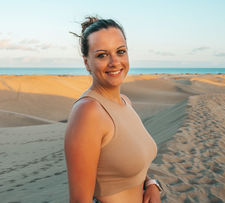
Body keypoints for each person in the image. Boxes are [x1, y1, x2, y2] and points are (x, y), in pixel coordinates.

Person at [65, 17, 162, 203]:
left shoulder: (125, 102)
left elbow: (124, 165)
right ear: (87, 63)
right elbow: (79, 200)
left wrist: (151, 183)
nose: (114, 62)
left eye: (120, 51)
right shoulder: (88, 112)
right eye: (102, 55)